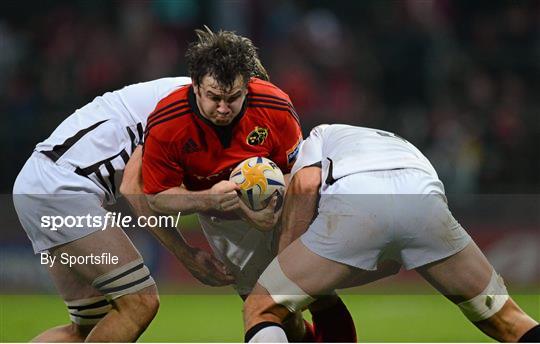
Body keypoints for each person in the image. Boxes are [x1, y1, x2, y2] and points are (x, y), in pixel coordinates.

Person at [138, 27, 356, 342]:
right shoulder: (167, 122)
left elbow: (300, 175)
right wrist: (212, 200)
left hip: (283, 210)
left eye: (233, 97)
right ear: (196, 86)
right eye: (214, 97)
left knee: (317, 291)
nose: (224, 108)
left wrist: (271, 203)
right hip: (225, 224)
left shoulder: (275, 106)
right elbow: (157, 198)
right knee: (271, 309)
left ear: (247, 86)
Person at [243, 124, 540, 343]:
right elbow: (391, 260)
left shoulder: (319, 134)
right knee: (509, 321)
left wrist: (284, 264)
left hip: (360, 195)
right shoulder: (393, 142)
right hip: (425, 204)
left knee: (261, 307)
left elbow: (305, 184)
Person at [12, 76, 235, 342]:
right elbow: (134, 187)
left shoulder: (195, 98)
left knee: (86, 329)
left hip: (42, 182)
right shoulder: (181, 107)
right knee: (139, 302)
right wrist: (187, 256)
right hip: (61, 189)